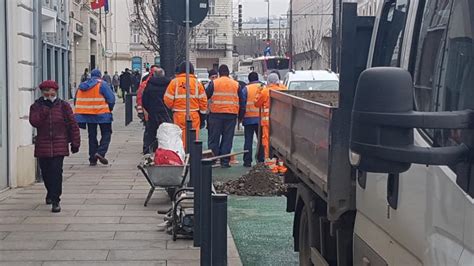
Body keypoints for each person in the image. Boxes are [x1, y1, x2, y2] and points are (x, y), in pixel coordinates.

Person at [29, 80, 81, 213]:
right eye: (45, 90)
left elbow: (72, 124)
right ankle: (50, 191)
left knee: (56, 172)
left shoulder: (63, 106)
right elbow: (34, 122)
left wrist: (75, 142)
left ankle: (56, 199)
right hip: (43, 144)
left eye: (51, 90)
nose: (48, 93)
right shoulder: (37, 105)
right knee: (45, 172)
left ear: (55, 91)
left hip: (60, 143)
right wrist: (45, 110)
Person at [75, 69, 116, 166]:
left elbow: (76, 100)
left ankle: (92, 158)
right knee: (106, 133)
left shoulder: (82, 86)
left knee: (92, 136)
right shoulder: (102, 84)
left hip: (87, 115)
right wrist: (109, 108)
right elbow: (111, 99)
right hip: (102, 113)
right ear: (100, 75)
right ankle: (100, 152)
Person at [206, 64, 244, 168]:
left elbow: (206, 95)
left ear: (219, 73)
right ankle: (225, 161)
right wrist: (240, 117)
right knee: (227, 139)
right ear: (228, 73)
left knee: (214, 138)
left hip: (215, 114)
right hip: (231, 115)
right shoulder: (236, 85)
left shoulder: (214, 83)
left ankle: (213, 160)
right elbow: (242, 102)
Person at [164, 62, 207, 148]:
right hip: (194, 114)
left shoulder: (174, 82)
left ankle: (182, 155)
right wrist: (202, 115)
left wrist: (173, 108)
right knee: (193, 137)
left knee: (179, 137)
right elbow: (203, 101)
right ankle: (192, 156)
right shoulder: (197, 83)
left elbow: (167, 100)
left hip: (178, 115)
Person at [255, 73, 287, 160]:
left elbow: (257, 103)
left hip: (267, 122)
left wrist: (259, 91)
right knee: (281, 141)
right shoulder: (284, 91)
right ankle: (281, 162)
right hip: (281, 122)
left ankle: (268, 160)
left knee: (266, 141)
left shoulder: (265, 92)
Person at [142, 68, 172, 153]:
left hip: (153, 112)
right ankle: (166, 151)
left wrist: (149, 109)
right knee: (166, 133)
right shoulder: (169, 84)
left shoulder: (149, 84)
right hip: (166, 112)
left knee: (151, 133)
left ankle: (149, 151)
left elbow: (144, 100)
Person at [241, 72, 264, 167]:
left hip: (248, 118)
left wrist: (240, 118)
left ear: (249, 80)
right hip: (261, 118)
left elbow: (242, 104)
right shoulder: (263, 87)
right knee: (261, 140)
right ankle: (261, 160)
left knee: (248, 140)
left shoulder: (246, 89)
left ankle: (247, 161)